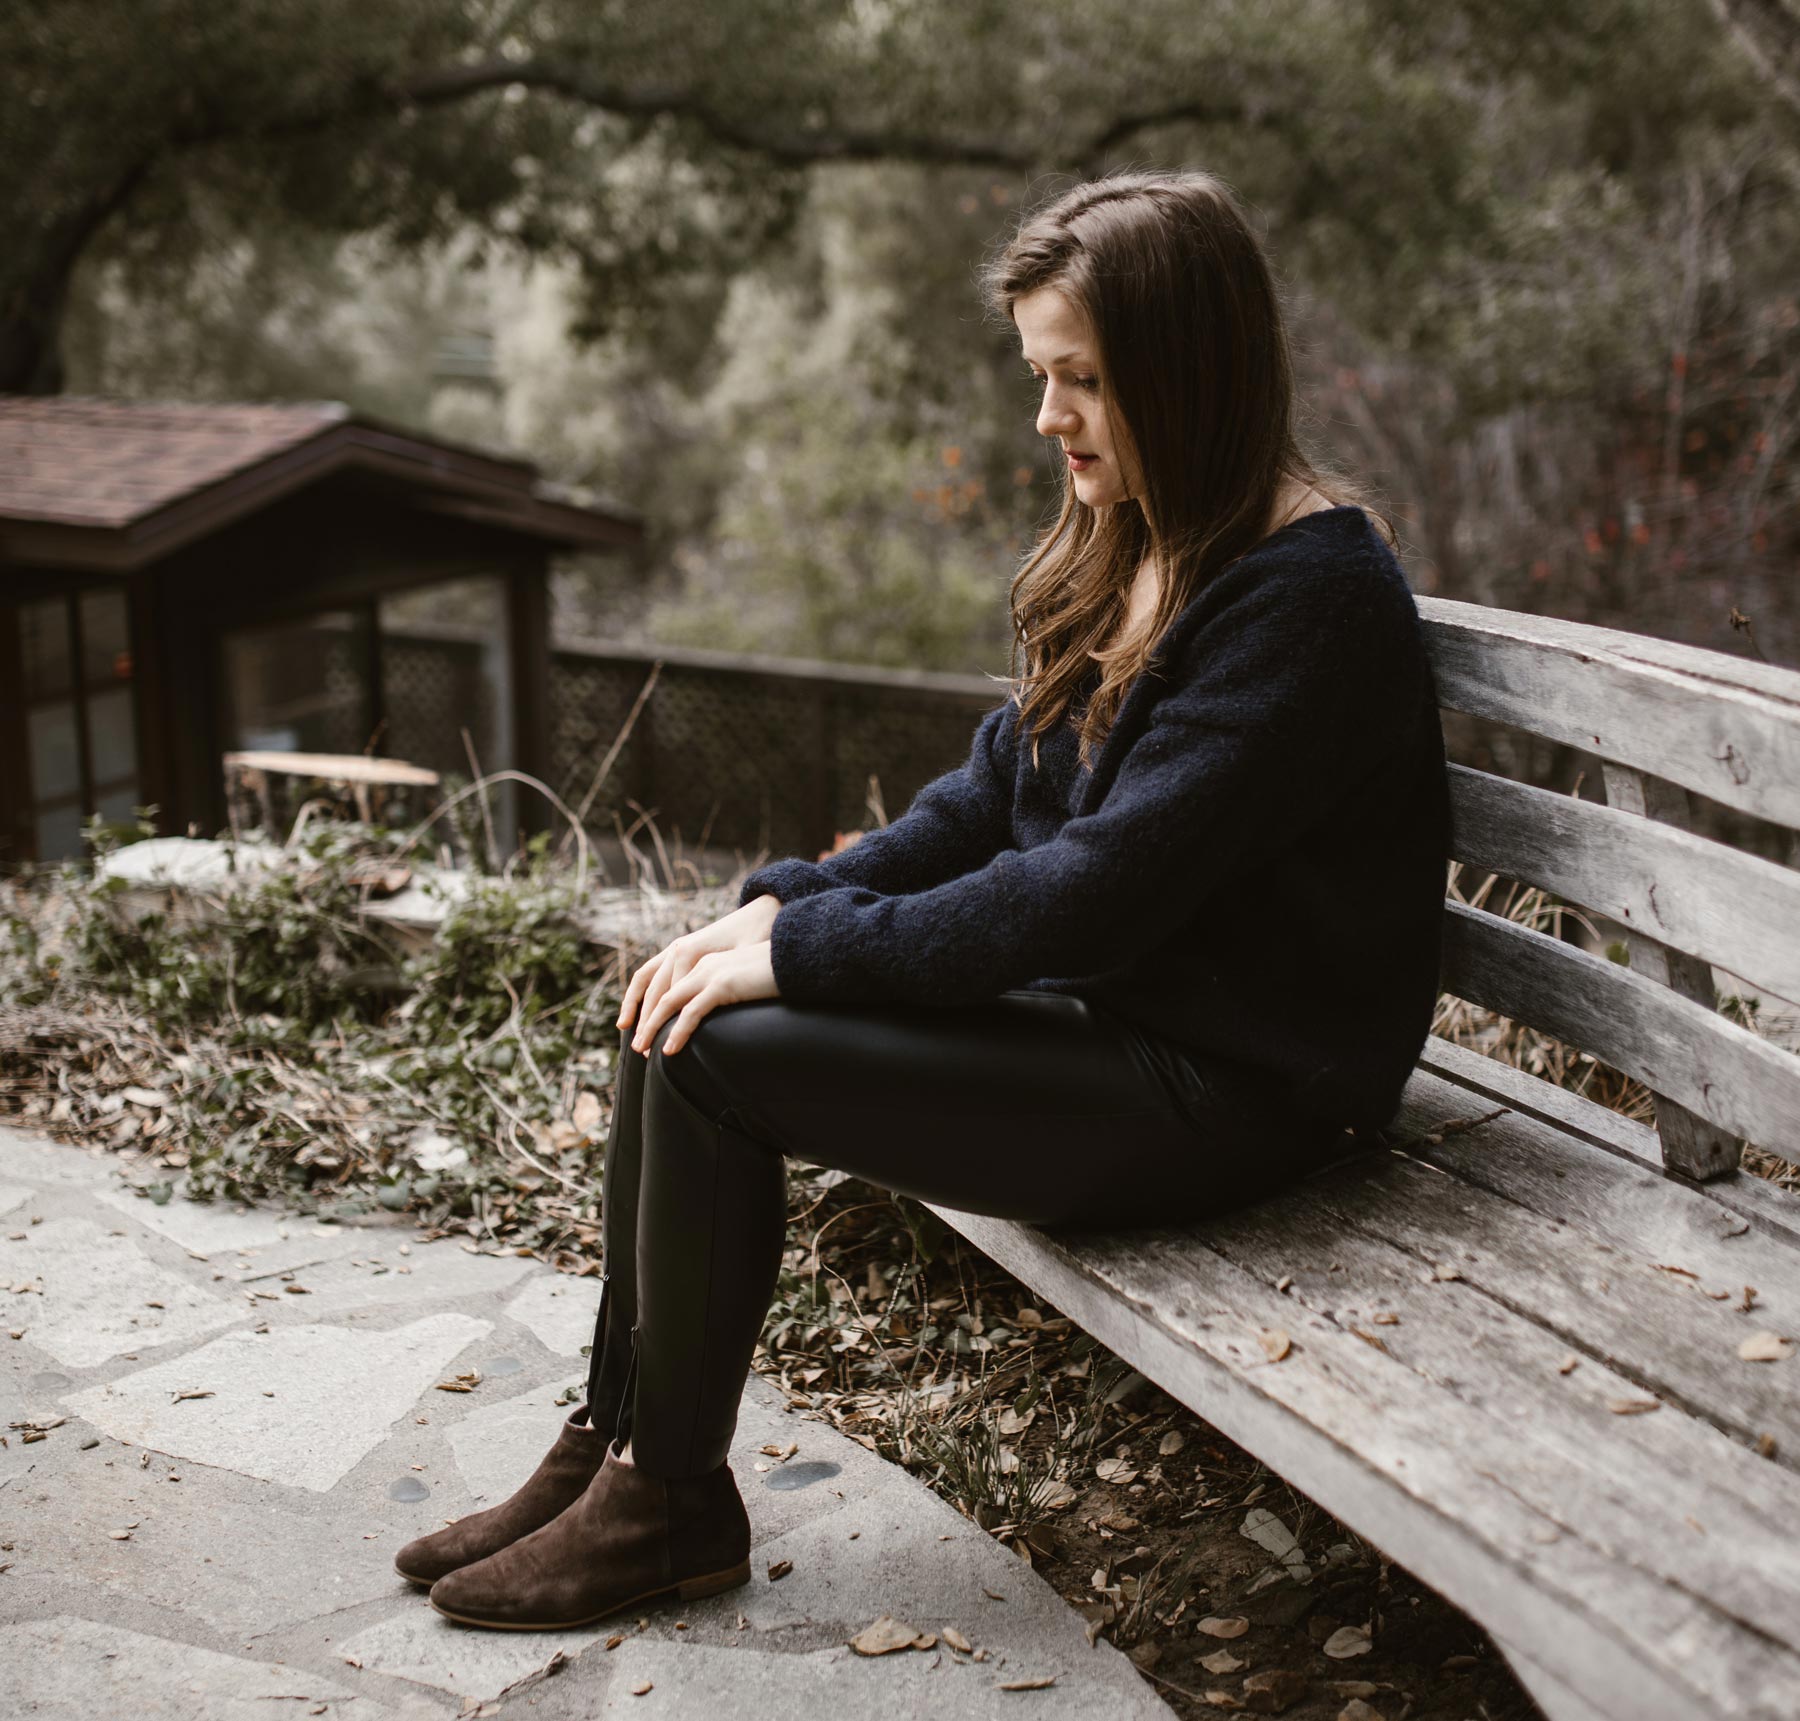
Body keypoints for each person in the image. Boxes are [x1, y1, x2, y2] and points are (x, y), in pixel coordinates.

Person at [397, 167, 1452, 1631]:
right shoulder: (1146, 539)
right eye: (1040, 375)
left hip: (1239, 1087)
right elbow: (984, 806)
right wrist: (773, 909)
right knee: (680, 996)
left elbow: (1090, 897)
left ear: (1185, 372)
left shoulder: (1306, 600)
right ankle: (618, 1437)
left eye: (1081, 378)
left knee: (718, 1045)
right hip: (1116, 1026)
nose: (1048, 417)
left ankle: (668, 1501)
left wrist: (811, 955)